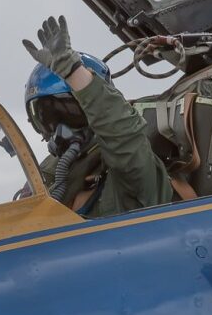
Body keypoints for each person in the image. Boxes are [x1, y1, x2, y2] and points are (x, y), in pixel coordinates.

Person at [22, 16, 172, 217]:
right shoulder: (46, 180)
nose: (60, 130)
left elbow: (122, 135)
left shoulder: (134, 172)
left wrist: (72, 71)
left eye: (69, 115)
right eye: (47, 119)